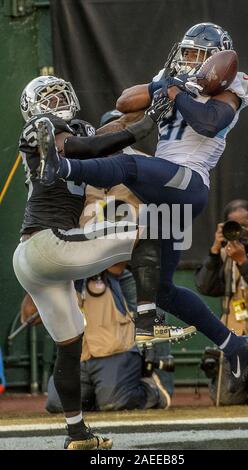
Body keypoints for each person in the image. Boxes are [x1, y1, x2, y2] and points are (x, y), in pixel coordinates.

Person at [37, 22, 248, 395]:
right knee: (161, 288)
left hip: (189, 183)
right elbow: (125, 102)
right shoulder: (172, 79)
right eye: (185, 52)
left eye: (194, 55)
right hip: (164, 191)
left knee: (129, 165)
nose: (186, 60)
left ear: (215, 60)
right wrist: (165, 86)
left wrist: (177, 92)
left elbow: (208, 122)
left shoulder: (234, 86)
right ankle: (232, 344)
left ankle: (63, 167)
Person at [13, 74, 170, 450]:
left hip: (36, 258)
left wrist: (147, 112)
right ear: (33, 108)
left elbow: (105, 133)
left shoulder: (76, 131)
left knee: (70, 344)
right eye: (46, 97)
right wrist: (144, 126)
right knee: (145, 228)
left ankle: (77, 434)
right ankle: (147, 321)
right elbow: (83, 147)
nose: (54, 102)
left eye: (58, 94)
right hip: (49, 244)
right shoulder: (43, 127)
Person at [45, 263, 172, 413]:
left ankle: (151, 389)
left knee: (113, 403)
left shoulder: (115, 272)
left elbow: (117, 261)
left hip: (115, 350)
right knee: (59, 404)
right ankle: (96, 396)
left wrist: (84, 269)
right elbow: (28, 314)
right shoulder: (61, 274)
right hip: (79, 356)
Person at [196, 199, 248, 405]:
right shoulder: (226, 252)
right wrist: (215, 251)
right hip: (235, 341)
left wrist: (243, 261)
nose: (241, 232)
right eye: (235, 226)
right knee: (225, 401)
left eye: (245, 226)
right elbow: (205, 287)